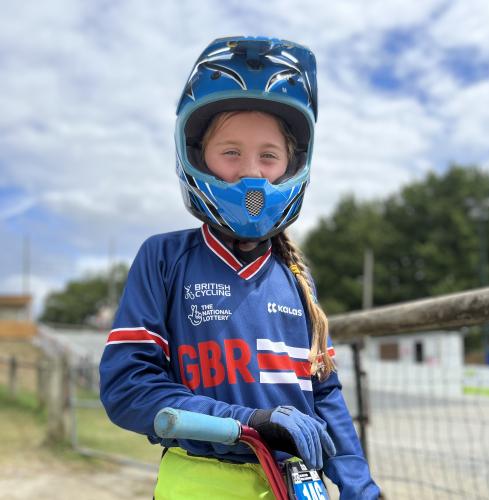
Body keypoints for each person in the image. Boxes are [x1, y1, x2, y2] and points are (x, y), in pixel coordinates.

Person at [99, 36, 380, 499]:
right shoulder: (166, 258)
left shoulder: (297, 277)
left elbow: (324, 396)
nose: (251, 174)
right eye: (231, 152)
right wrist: (249, 423)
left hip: (298, 488)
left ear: (292, 165)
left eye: (268, 156)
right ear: (196, 156)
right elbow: (129, 387)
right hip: (202, 484)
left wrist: (359, 487)